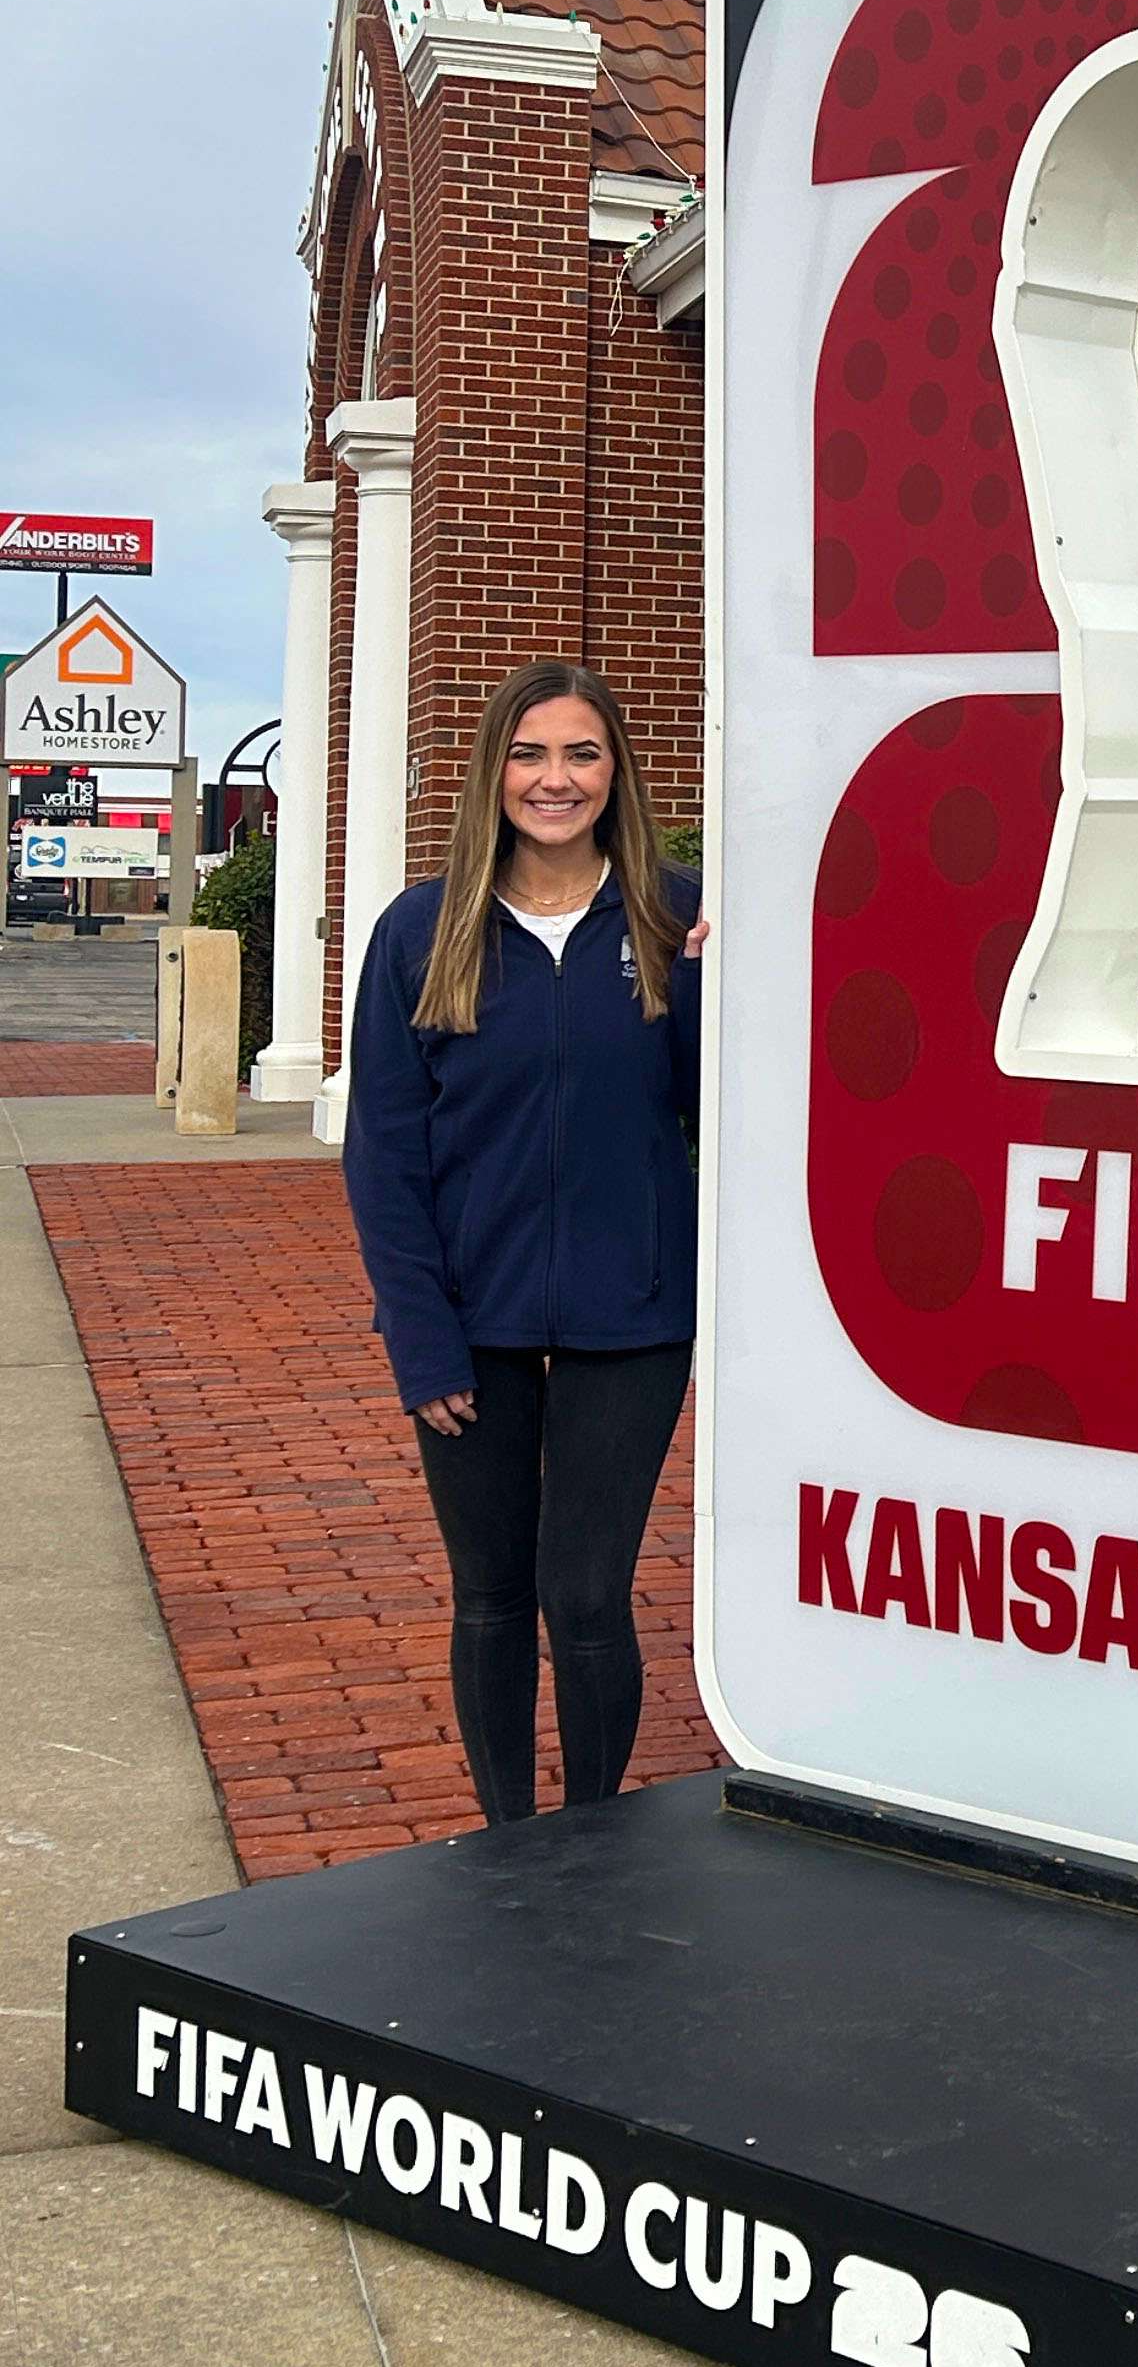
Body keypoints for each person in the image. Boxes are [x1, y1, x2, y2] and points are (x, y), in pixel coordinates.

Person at [342, 660, 703, 1826]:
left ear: (617, 772)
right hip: (470, 1321)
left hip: (633, 1316)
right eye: (532, 754)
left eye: (583, 754)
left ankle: (592, 1840)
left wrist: (704, 982)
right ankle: (508, 1839)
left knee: (587, 1593)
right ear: (495, 771)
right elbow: (384, 1157)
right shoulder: (423, 928)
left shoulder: (671, 915)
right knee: (491, 1595)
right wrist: (423, 1341)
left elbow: (720, 1111)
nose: (556, 780)